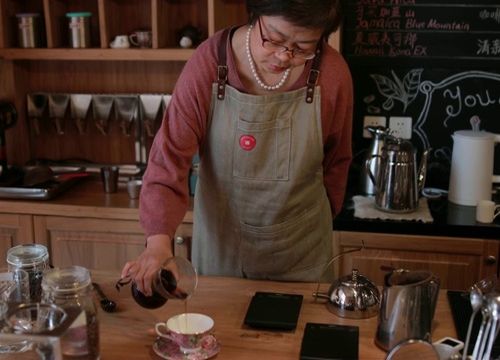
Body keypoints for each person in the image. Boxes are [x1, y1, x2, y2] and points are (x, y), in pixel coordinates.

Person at [122, 0, 353, 296]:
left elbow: (337, 163)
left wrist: (308, 224)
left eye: (303, 47)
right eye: (274, 39)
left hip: (301, 254)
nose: (283, 56)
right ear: (255, 14)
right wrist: (157, 243)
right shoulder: (209, 62)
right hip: (221, 252)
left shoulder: (332, 73)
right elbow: (169, 160)